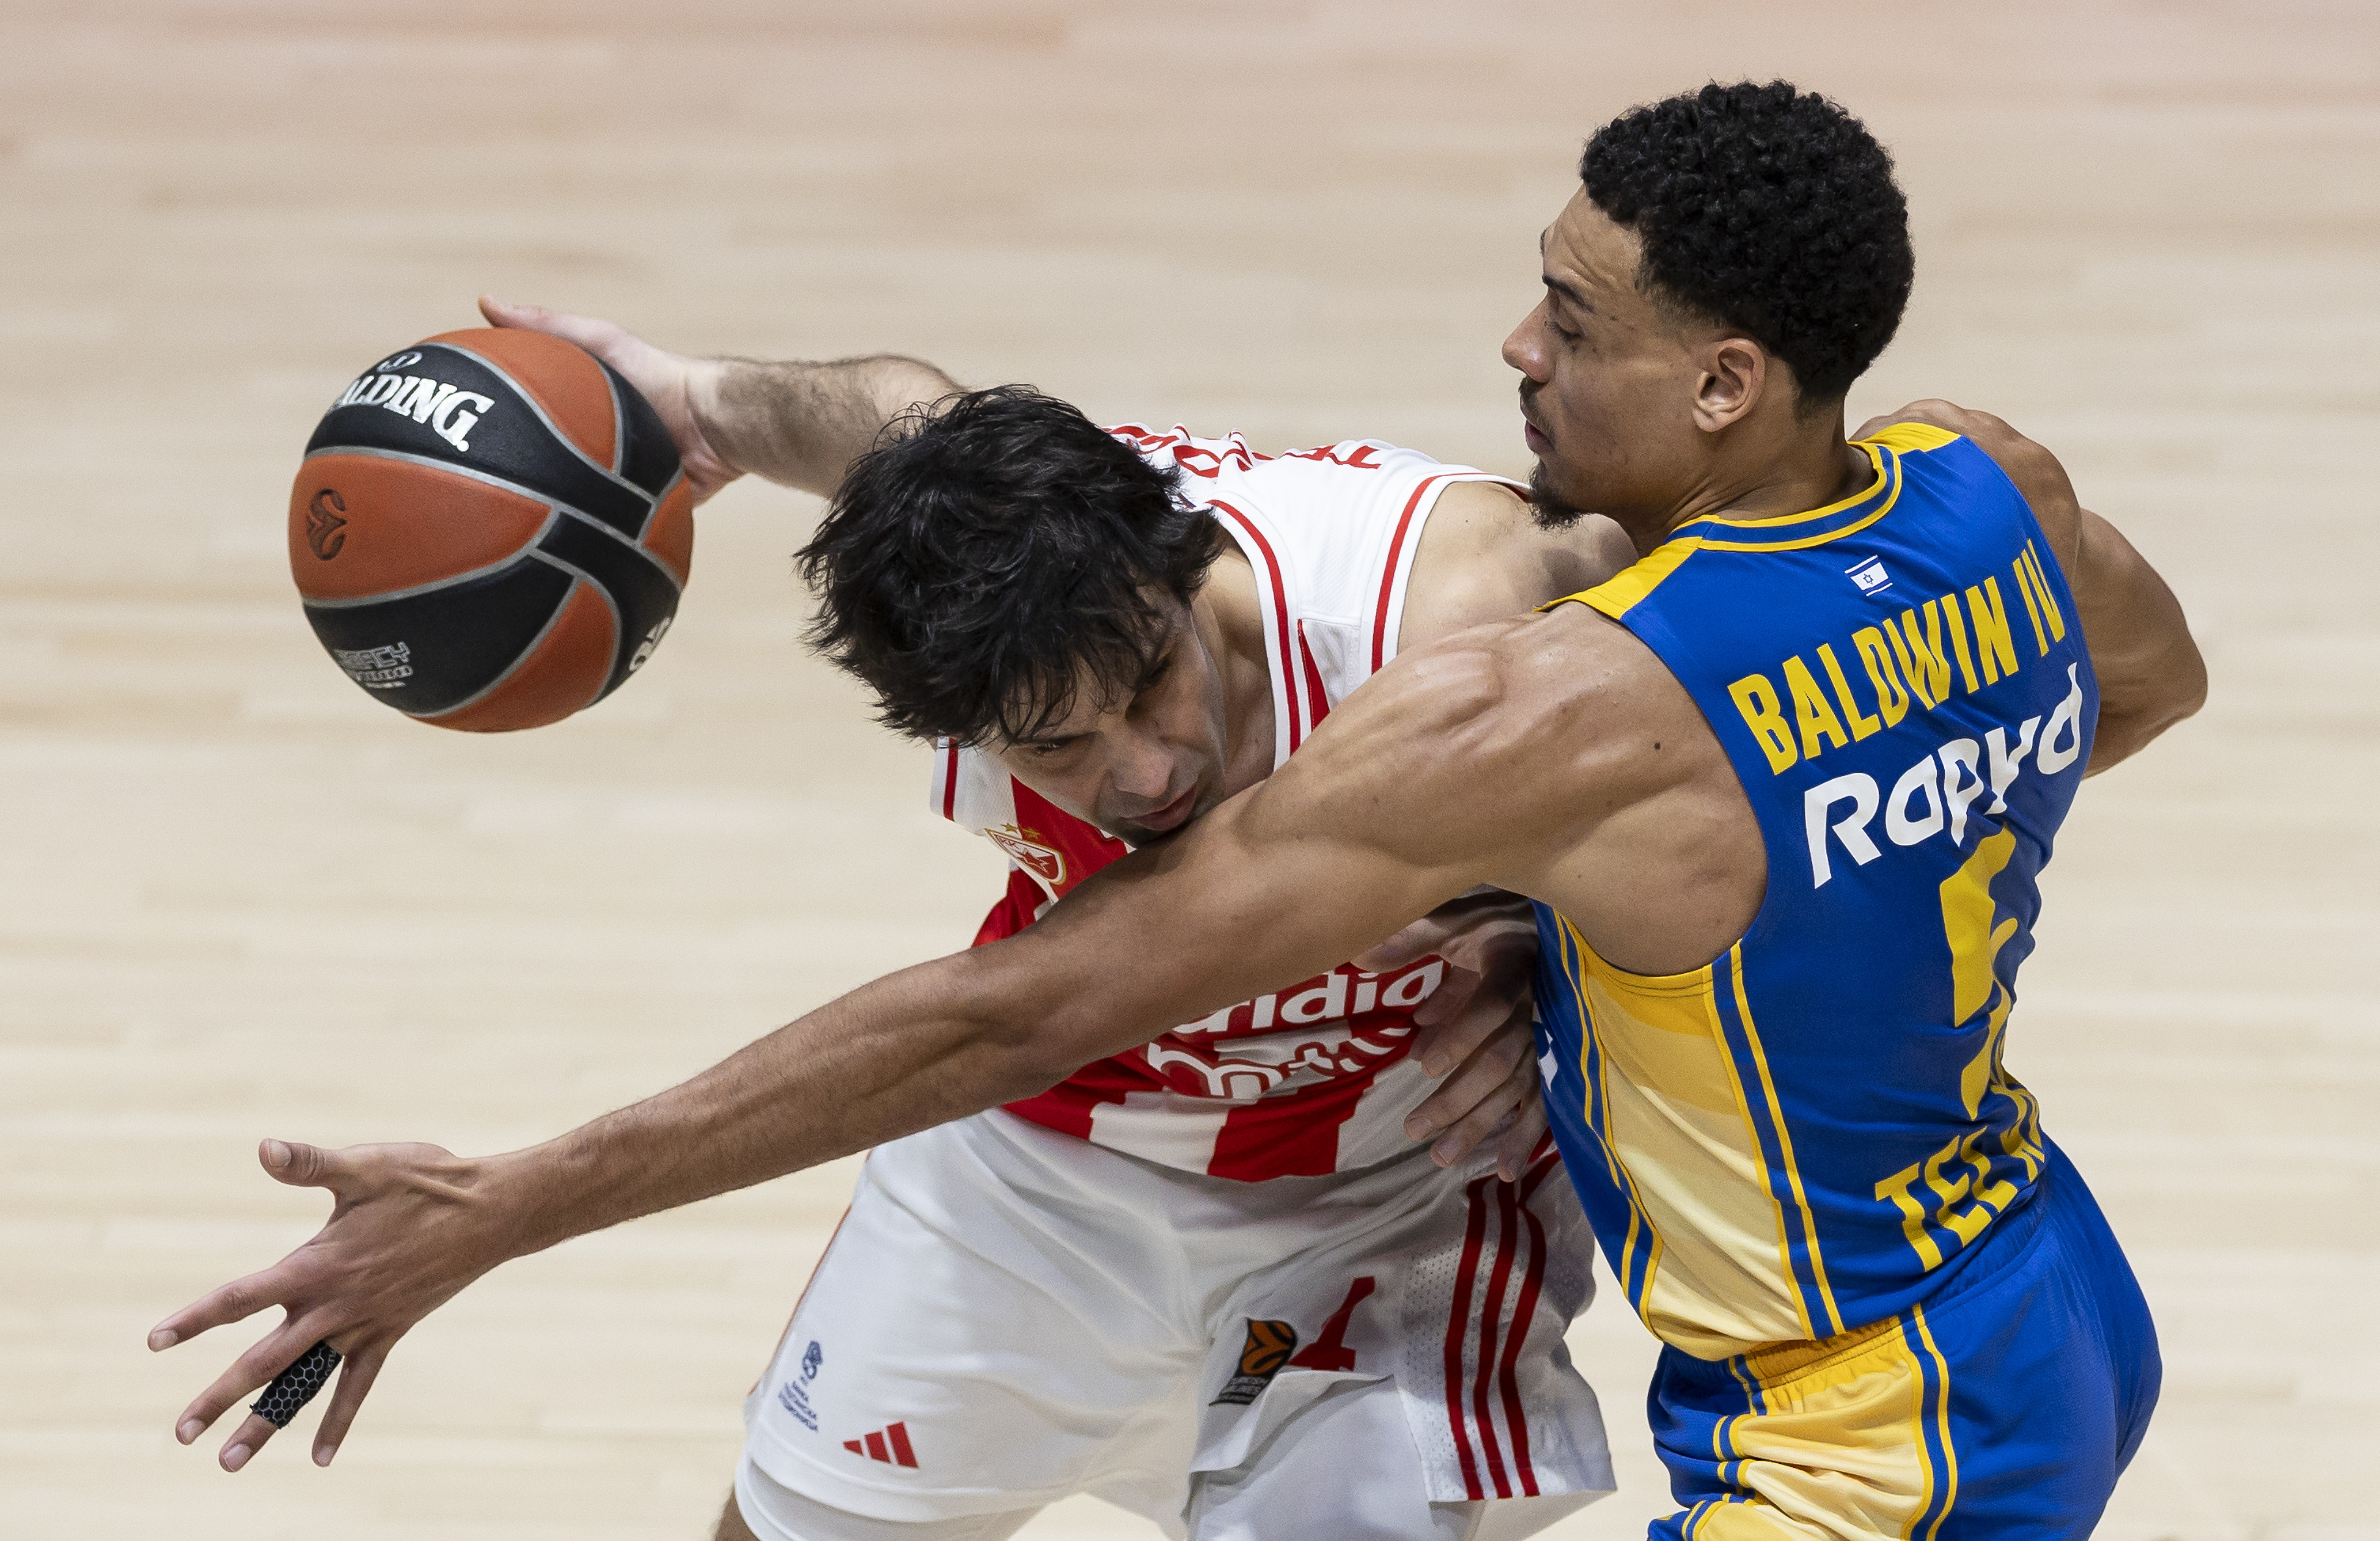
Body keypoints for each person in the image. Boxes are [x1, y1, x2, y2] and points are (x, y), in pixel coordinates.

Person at [157, 81, 2206, 1540]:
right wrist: (680, 401)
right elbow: (2141, 683)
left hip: (1799, 1398)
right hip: (2026, 1279)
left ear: (1726, 383)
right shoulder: (1982, 485)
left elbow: (1011, 1008)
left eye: (1572, 322)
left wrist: (503, 1205)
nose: (1517, 343)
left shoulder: (1521, 666)